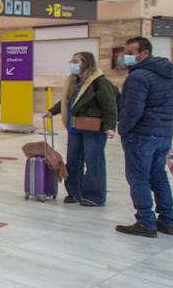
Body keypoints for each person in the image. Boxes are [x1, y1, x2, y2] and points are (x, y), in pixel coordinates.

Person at [116, 37, 173, 238]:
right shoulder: (172, 75)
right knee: (158, 176)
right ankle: (168, 221)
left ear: (144, 53)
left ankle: (145, 221)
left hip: (142, 135)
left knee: (138, 179)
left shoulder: (139, 77)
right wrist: (171, 127)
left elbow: (132, 109)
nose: (125, 56)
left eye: (130, 52)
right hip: (164, 133)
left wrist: (124, 130)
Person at [45, 51, 118, 207]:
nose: (73, 64)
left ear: (87, 63)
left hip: (93, 128)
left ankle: (94, 196)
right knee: (73, 161)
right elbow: (67, 101)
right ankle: (74, 192)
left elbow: (109, 105)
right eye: (72, 61)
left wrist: (110, 127)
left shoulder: (99, 82)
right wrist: (52, 110)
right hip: (75, 127)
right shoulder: (73, 82)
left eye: (76, 61)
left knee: (94, 162)